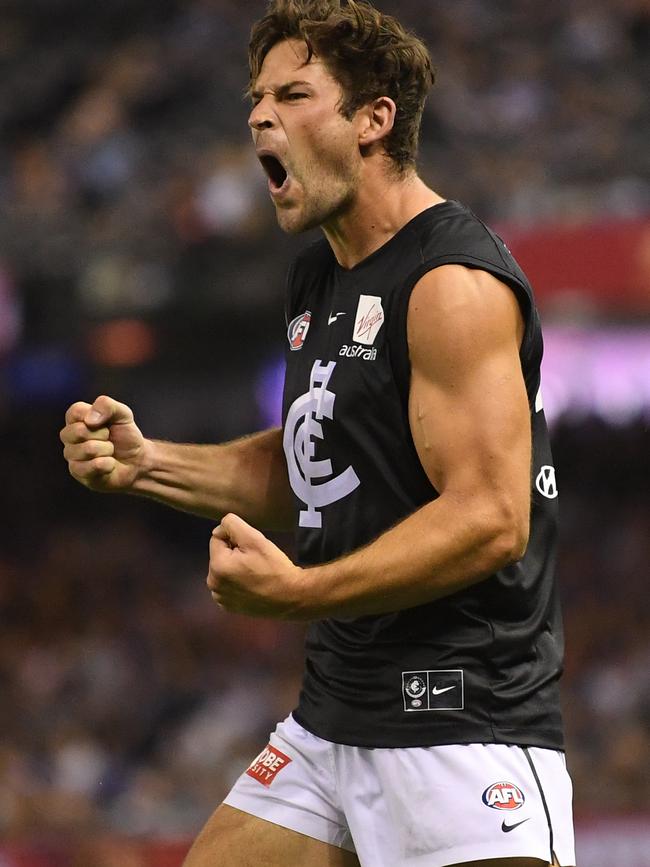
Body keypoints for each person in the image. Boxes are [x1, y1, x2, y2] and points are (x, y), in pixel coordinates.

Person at [60, 1, 576, 865]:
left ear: (374, 119)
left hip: (461, 719)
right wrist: (147, 464)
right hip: (334, 714)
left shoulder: (451, 280)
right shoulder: (318, 277)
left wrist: (298, 593)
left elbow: (491, 516)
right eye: (256, 97)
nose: (260, 114)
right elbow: (313, 464)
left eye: (294, 94)